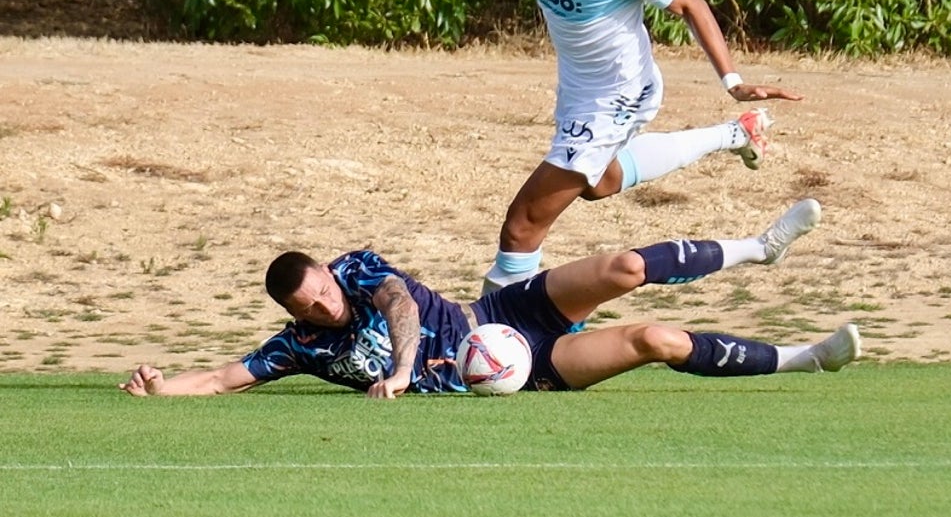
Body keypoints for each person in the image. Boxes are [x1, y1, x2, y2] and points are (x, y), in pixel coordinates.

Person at [415, 0, 804, 292]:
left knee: (523, 225)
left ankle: (502, 336)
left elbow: (690, 2)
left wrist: (732, 81)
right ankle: (736, 135)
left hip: (618, 93)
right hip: (578, 87)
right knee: (598, 183)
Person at [119, 198, 861, 397]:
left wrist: (403, 372)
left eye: (321, 292)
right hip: (522, 367)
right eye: (309, 308)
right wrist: (159, 390)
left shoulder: (357, 269)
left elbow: (403, 307)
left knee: (624, 265)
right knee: (651, 340)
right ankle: (804, 359)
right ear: (293, 316)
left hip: (500, 315)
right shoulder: (301, 348)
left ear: (324, 269)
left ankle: (759, 248)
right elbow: (221, 378)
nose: (325, 307)